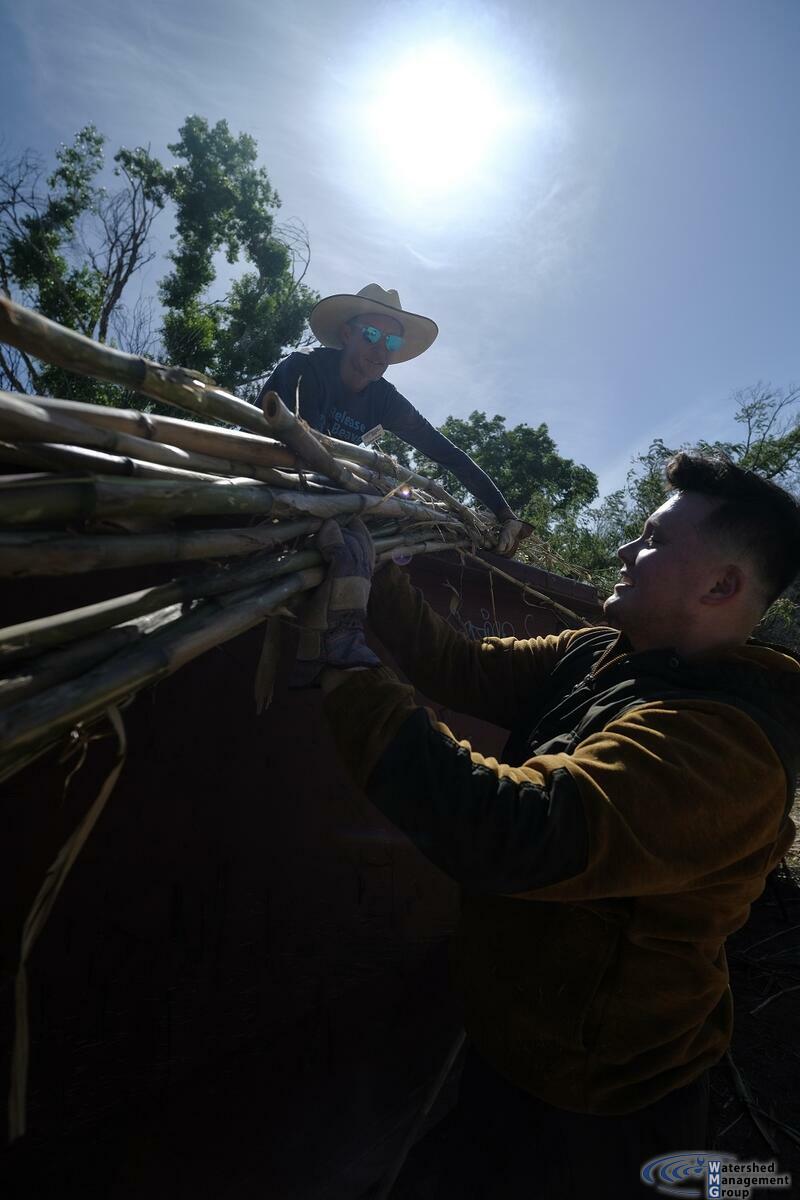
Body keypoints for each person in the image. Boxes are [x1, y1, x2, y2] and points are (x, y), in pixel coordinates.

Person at [301, 453, 800, 1197]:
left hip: (601, 1098)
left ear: (721, 586)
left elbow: (514, 830)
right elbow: (460, 666)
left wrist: (346, 664)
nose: (625, 550)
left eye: (654, 541)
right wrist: (372, 573)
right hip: (518, 1041)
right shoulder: (602, 655)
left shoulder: (723, 749)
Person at [257, 283, 530, 556]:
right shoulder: (306, 368)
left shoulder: (385, 400)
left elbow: (448, 454)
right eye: (372, 335)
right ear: (347, 334)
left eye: (392, 342)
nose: (381, 350)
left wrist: (505, 514)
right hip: (270, 482)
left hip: (326, 495)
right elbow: (309, 453)